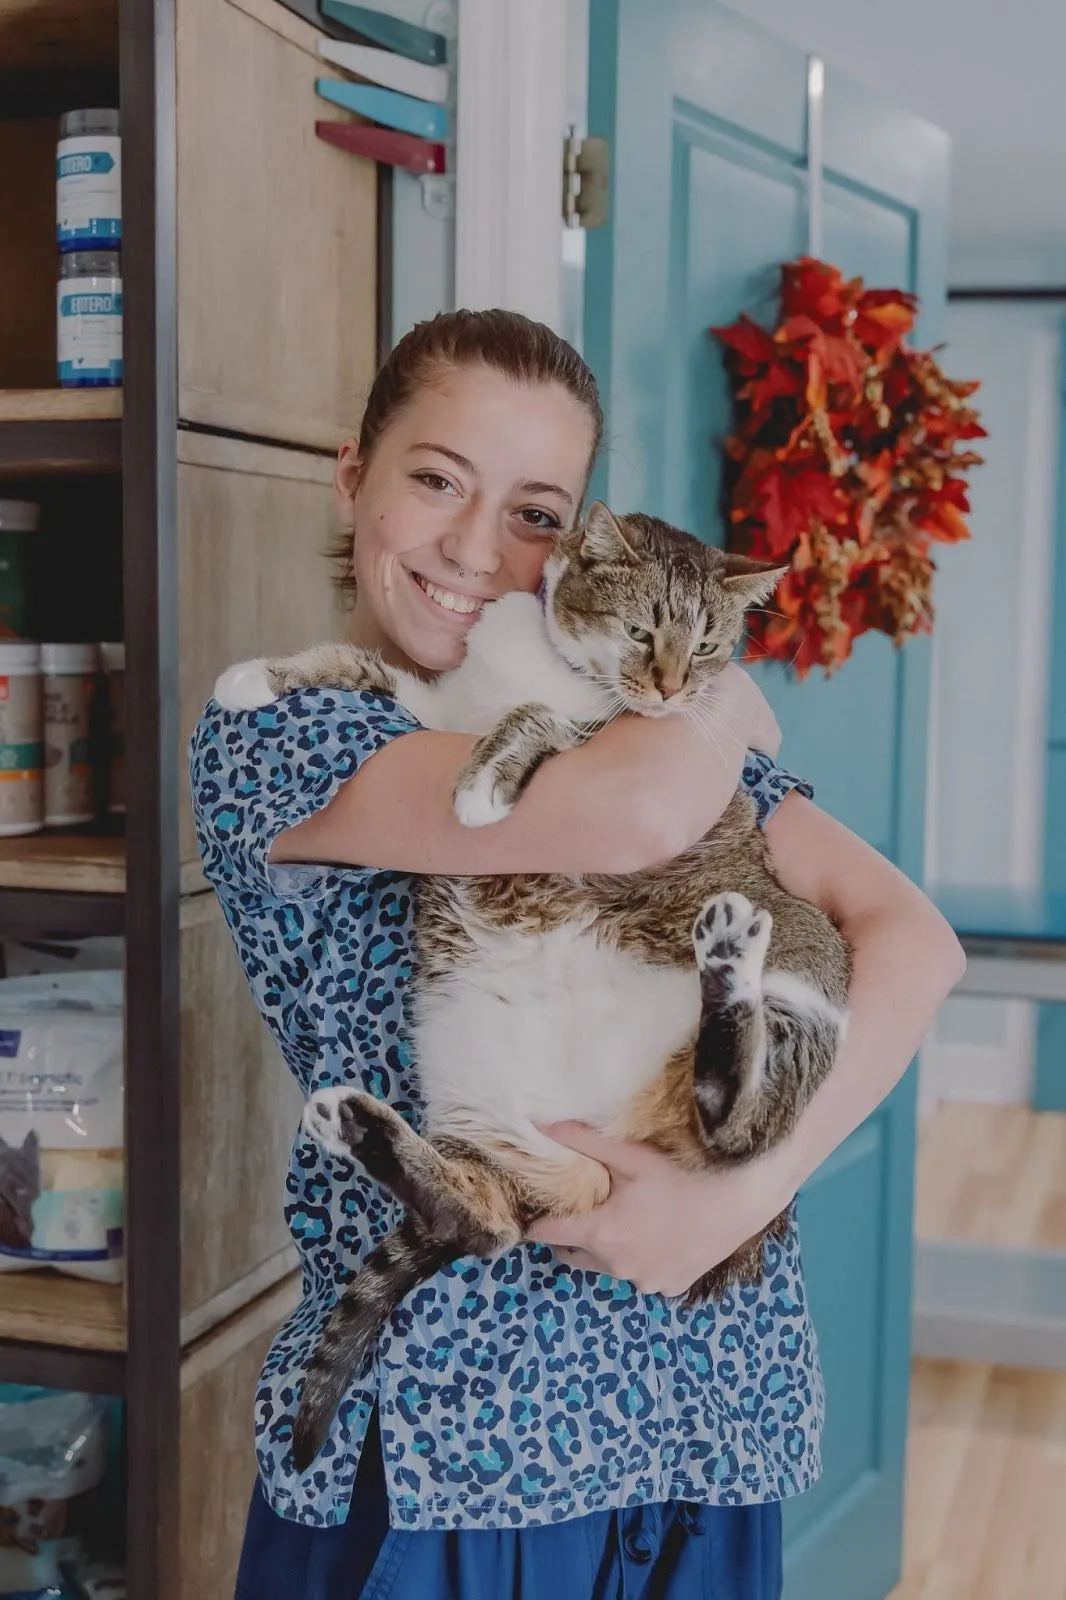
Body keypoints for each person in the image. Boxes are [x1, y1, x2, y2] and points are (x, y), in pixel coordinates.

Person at [189, 309, 965, 1600]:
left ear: (578, 545)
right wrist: (718, 699)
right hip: (459, 1457)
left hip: (702, 1425)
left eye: (535, 514)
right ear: (352, 476)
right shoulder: (289, 735)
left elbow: (913, 945)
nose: (477, 551)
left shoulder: (644, 732)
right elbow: (640, 816)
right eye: (436, 479)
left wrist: (737, 1193)